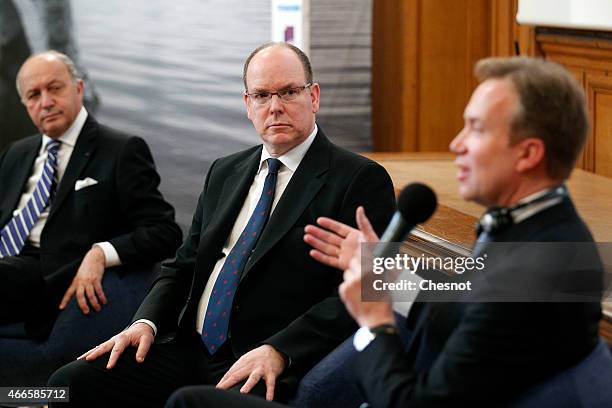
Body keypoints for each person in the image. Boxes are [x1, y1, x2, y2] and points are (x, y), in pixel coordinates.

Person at [164, 57, 604, 407]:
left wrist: (376, 321)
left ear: (528, 154)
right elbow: (465, 294)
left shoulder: (541, 268)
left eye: (477, 128)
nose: (457, 144)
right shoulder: (535, 231)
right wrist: (386, 276)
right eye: (261, 95)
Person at [48, 42, 396, 407]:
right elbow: (182, 266)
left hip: (261, 362)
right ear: (248, 105)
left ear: (314, 96)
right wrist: (144, 323)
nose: (275, 106)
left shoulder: (360, 179)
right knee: (66, 385)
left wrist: (281, 350)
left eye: (289, 92)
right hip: (187, 346)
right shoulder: (224, 171)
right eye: (261, 95)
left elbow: (369, 288)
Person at [0, 50, 182, 338]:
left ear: (79, 88)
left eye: (55, 88)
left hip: (47, 276)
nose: (45, 102)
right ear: (25, 105)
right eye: (34, 95)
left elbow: (164, 232)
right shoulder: (16, 153)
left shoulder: (121, 150)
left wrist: (100, 253)